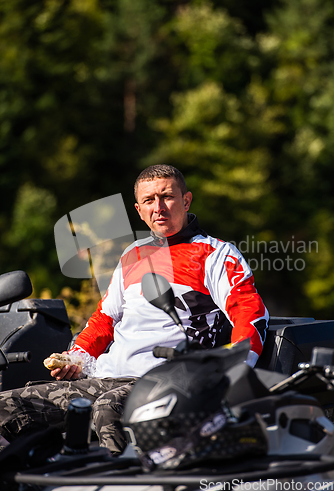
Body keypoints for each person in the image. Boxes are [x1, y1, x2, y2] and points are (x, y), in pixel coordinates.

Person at [0, 164, 269, 455]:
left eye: (167, 196)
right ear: (139, 210)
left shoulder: (216, 254)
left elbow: (250, 316)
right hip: (107, 377)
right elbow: (104, 319)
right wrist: (75, 358)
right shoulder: (132, 254)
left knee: (106, 408)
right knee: (6, 406)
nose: (159, 207)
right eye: (149, 201)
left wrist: (233, 378)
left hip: (167, 384)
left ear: (186, 200)